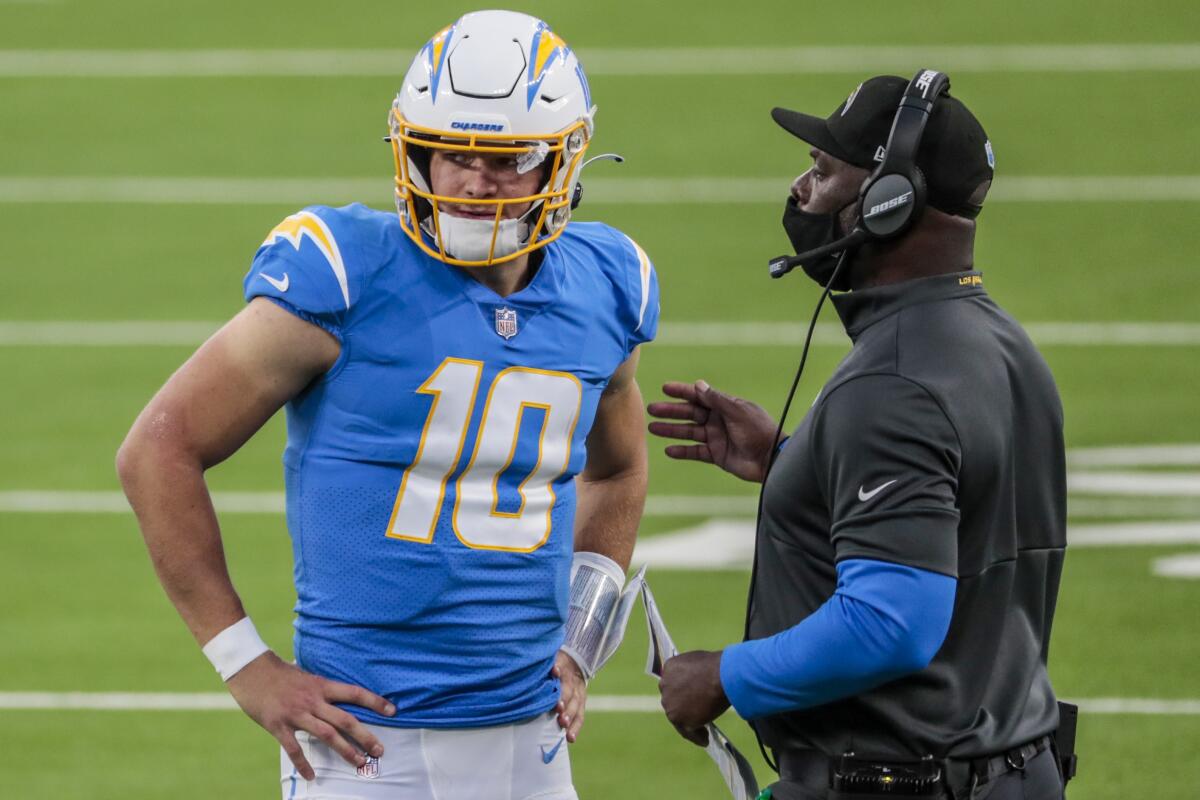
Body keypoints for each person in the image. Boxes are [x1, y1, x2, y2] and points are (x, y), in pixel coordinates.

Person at [116, 10, 658, 800]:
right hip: (371, 750)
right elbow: (158, 449)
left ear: (562, 161)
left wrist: (580, 639)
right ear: (414, 150)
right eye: (452, 154)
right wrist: (247, 666)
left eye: (508, 160)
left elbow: (620, 470)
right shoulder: (345, 275)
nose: (475, 183)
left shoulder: (609, 284)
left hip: (533, 746)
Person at [650, 73, 1068, 800]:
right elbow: (958, 520)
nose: (801, 189)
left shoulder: (892, 386)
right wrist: (797, 466)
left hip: (899, 779)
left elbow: (891, 621)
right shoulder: (1002, 344)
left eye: (822, 170)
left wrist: (724, 675)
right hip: (1014, 770)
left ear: (889, 201)